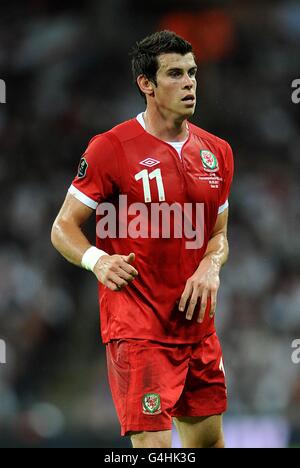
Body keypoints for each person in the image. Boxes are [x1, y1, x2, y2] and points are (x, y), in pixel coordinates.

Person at [51, 30, 234, 449]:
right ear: (146, 84)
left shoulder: (217, 152)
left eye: (192, 73)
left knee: (208, 444)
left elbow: (218, 235)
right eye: (175, 74)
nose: (189, 82)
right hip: (139, 331)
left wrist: (210, 264)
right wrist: (97, 259)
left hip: (197, 329)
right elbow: (62, 227)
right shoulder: (110, 148)